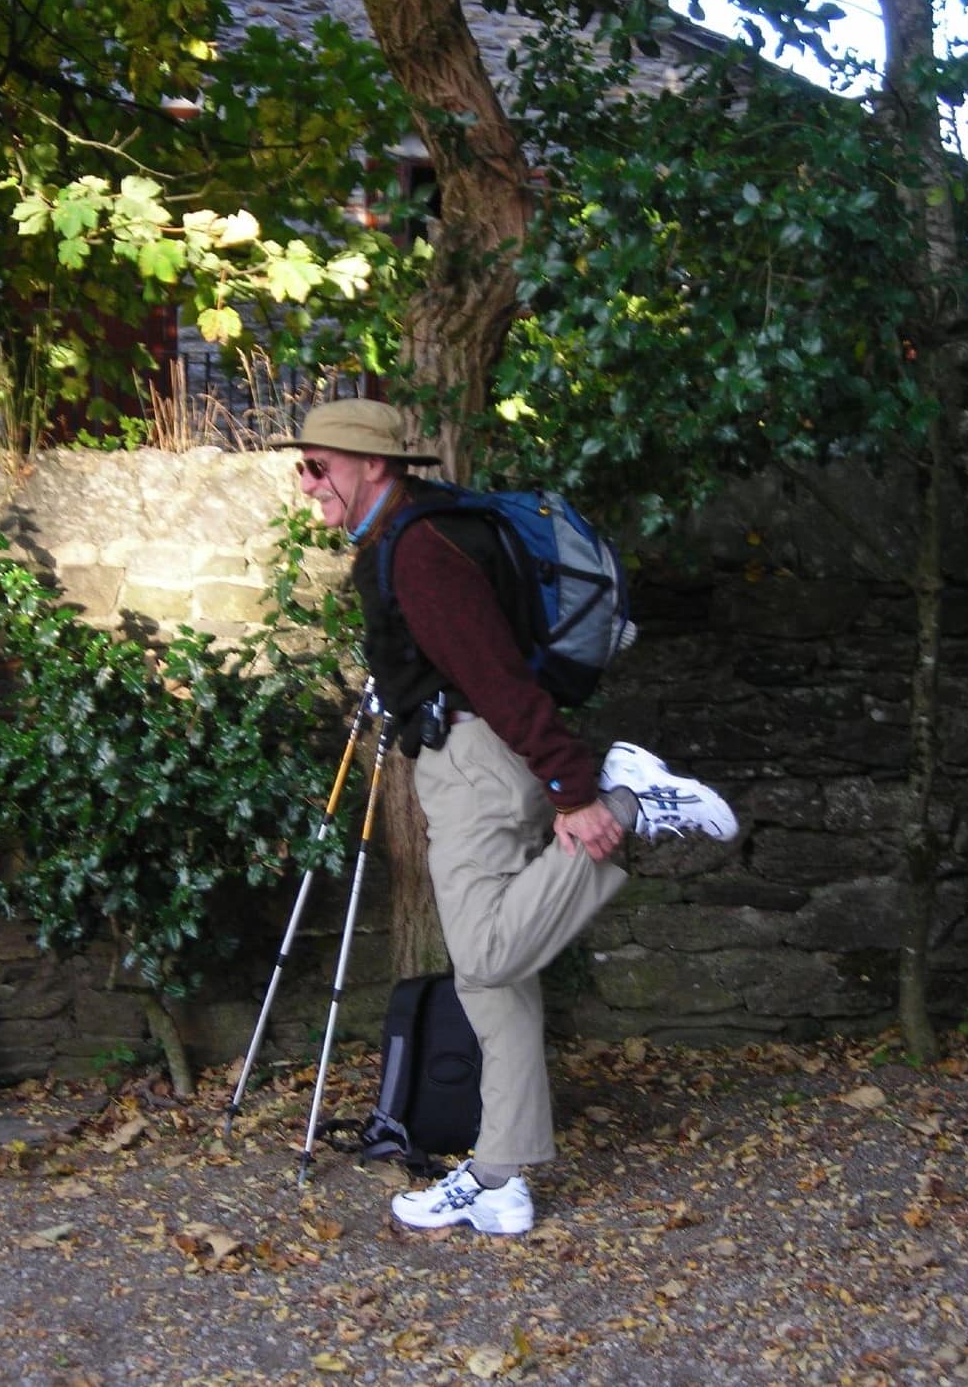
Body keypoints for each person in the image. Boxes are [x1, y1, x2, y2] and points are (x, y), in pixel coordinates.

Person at [284, 397, 737, 1236]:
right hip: (474, 757)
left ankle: (634, 804)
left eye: (318, 466)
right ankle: (500, 1175)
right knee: (493, 985)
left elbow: (495, 678)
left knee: (488, 955)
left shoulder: (419, 551)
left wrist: (579, 793)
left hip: (478, 765)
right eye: (302, 466)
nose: (306, 484)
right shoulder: (423, 532)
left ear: (372, 465)